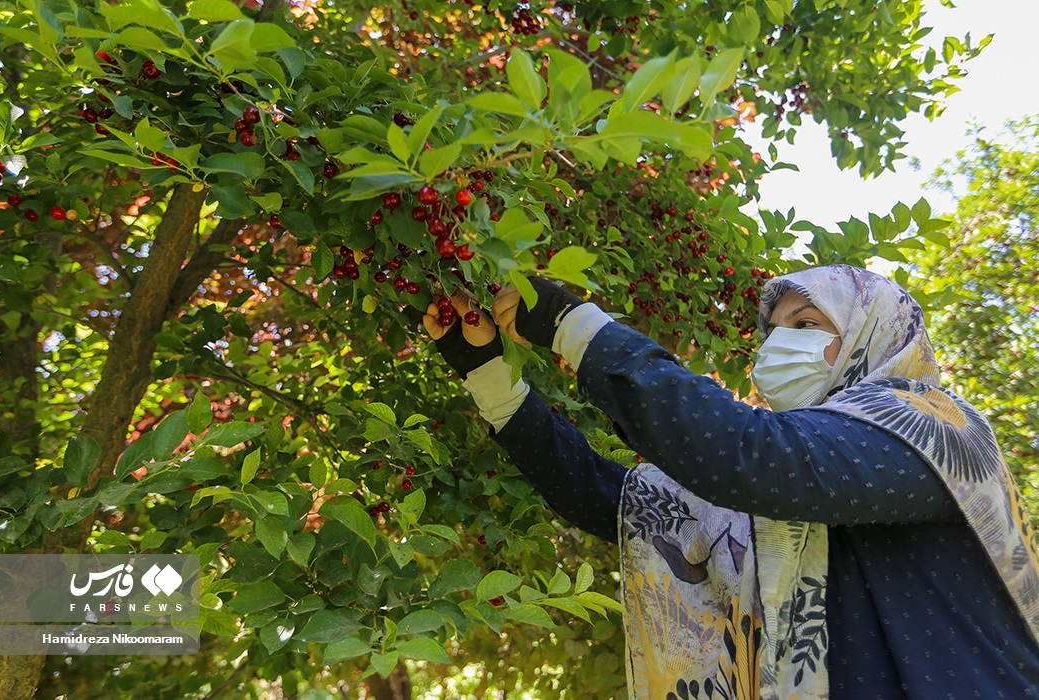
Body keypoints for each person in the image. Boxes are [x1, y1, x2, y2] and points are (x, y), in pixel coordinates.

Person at [422, 264, 1039, 699]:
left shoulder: (933, 430)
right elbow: (604, 498)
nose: (777, 347)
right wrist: (487, 376)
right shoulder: (774, 497)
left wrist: (571, 325)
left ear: (870, 336)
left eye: (805, 324)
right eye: (772, 334)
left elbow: (744, 453)